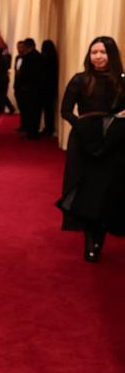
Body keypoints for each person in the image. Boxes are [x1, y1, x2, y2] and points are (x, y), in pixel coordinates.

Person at [57, 36, 125, 262]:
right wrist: (83, 127)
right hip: (84, 142)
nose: (97, 56)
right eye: (93, 52)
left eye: (103, 52)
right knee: (86, 191)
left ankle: (99, 238)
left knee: (106, 192)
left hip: (114, 141)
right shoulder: (80, 79)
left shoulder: (122, 81)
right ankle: (90, 242)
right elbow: (65, 111)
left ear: (111, 55)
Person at [16, 38, 44, 139]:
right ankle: (32, 132)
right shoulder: (38, 56)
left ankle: (32, 133)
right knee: (34, 112)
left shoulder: (29, 57)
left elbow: (26, 74)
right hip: (36, 89)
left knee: (31, 112)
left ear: (28, 46)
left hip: (29, 90)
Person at [41, 40, 59, 136]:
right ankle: (49, 128)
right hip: (51, 87)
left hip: (45, 88)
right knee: (49, 109)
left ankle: (49, 128)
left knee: (47, 110)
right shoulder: (53, 58)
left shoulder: (45, 59)